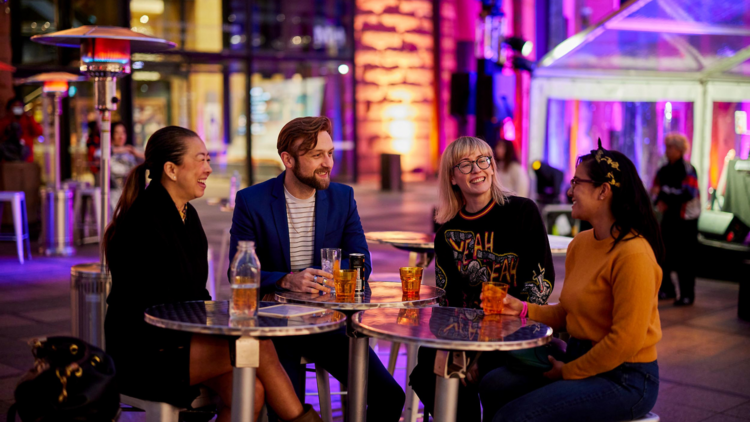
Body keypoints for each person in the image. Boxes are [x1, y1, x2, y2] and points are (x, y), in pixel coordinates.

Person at [104, 126, 321, 422]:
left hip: (180, 341)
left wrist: (226, 322)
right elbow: (156, 307)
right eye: (201, 160)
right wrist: (223, 329)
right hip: (145, 351)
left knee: (253, 391)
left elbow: (197, 295)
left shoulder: (186, 215)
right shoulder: (143, 222)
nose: (208, 169)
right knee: (257, 344)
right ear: (171, 169)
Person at [229, 116, 405, 421]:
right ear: (288, 160)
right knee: (289, 411)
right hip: (273, 325)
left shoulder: (342, 197)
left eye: (330, 153)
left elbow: (360, 260)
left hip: (324, 321)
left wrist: (332, 279)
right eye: (316, 155)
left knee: (389, 395)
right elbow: (237, 273)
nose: (328, 163)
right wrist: (287, 280)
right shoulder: (251, 201)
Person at [479, 140, 663, 422]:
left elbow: (624, 341)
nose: (569, 190)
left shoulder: (633, 254)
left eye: (577, 182)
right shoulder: (581, 243)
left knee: (515, 416)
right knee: (494, 384)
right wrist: (524, 310)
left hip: (625, 378)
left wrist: (566, 373)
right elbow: (569, 312)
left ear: (604, 191)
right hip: (579, 357)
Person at [409, 136, 555, 421]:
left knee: (491, 373)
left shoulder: (523, 212)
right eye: (465, 164)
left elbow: (539, 287)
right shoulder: (447, 233)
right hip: (467, 332)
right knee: (428, 364)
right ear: (452, 177)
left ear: (493, 166)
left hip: (518, 330)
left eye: (483, 160)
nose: (477, 169)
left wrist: (484, 354)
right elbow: (448, 300)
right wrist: (461, 349)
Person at [652, 133, 700, 306]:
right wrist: (660, 199)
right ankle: (668, 289)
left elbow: (689, 193)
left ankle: (687, 295)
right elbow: (655, 191)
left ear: (680, 150)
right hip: (669, 218)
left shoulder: (688, 169)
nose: (668, 151)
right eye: (666, 147)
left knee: (685, 259)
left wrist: (664, 196)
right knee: (662, 255)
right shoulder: (663, 169)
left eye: (671, 147)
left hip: (686, 220)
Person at [109, 121, 144, 209]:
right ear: (112, 135)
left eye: (123, 132)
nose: (121, 136)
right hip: (114, 196)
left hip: (131, 194)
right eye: (117, 133)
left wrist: (136, 153)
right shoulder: (108, 152)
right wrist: (120, 150)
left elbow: (150, 158)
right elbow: (97, 155)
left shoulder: (130, 152)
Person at [0, 97, 42, 163]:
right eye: (15, 107)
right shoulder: (5, 121)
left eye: (19, 107)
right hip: (8, 162)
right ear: (9, 109)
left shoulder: (28, 119)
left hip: (26, 160)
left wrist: (28, 117)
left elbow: (38, 132)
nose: (17, 109)